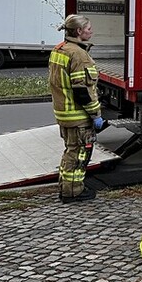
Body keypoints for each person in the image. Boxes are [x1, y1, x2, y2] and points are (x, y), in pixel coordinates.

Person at [49, 14, 103, 203]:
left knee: (70, 151)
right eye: (89, 28)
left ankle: (66, 187)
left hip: (64, 112)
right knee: (80, 154)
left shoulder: (60, 49)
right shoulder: (79, 55)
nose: (92, 31)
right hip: (78, 115)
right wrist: (96, 114)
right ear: (79, 31)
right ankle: (73, 192)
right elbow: (82, 90)